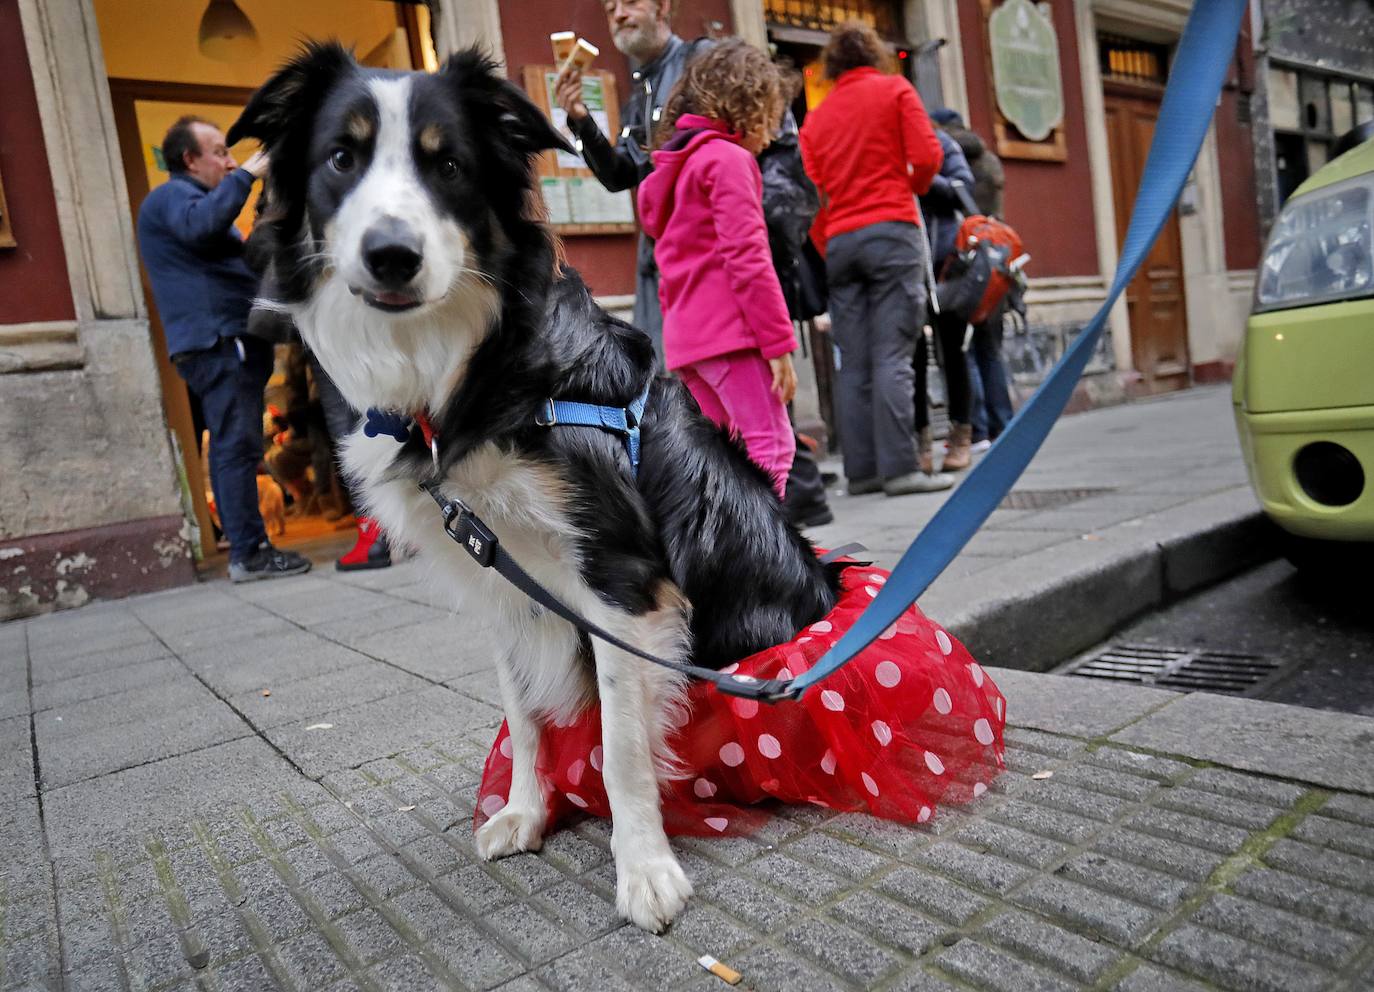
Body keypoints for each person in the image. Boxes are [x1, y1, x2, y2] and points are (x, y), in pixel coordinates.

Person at [136, 116, 311, 582]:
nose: (230, 161)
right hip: (219, 341)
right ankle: (250, 554)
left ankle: (247, 549)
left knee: (234, 445)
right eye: (219, 152)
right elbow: (203, 227)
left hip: (225, 340)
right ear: (189, 159)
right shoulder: (174, 198)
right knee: (236, 446)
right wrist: (250, 173)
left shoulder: (192, 206)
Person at [636, 39, 799, 498]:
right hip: (735, 337)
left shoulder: (672, 172)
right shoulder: (728, 160)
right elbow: (748, 260)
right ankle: (770, 562)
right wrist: (779, 345)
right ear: (745, 104)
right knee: (772, 448)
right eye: (769, 116)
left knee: (720, 464)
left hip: (690, 345)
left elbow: (670, 268)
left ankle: (723, 561)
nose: (769, 135)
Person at [799, 22, 948, 497]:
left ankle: (861, 472)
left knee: (856, 360)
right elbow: (928, 156)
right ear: (875, 56)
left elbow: (811, 193)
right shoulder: (895, 90)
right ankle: (901, 468)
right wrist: (913, 187)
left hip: (842, 243)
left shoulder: (816, 118)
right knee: (893, 353)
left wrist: (829, 239)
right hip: (892, 231)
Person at [554, 0, 710, 356]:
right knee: (672, 382)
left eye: (629, 3)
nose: (619, 15)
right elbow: (619, 174)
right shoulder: (640, 89)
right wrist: (581, 119)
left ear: (662, 7)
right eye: (610, 10)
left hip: (706, 257)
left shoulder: (700, 61)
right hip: (658, 263)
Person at [931, 107, 1013, 453]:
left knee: (961, 350)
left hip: (960, 263)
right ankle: (1003, 424)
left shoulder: (943, 158)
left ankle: (976, 428)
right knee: (990, 350)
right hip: (992, 259)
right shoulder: (988, 160)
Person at [916, 128, 977, 472]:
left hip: (947, 265)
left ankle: (961, 436)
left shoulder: (939, 142)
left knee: (954, 354)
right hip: (908, 263)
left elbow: (963, 188)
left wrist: (922, 180)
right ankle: (921, 441)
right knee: (913, 360)